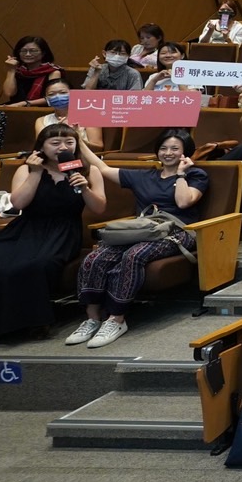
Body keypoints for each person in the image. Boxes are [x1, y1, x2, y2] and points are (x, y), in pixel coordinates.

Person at [68, 131, 209, 349]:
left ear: (185, 153)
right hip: (143, 230)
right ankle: (93, 318)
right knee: (96, 257)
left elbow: (183, 202)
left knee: (134, 255)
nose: (168, 153)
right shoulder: (144, 176)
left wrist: (181, 174)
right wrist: (78, 141)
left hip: (178, 232)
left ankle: (116, 319)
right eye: (164, 148)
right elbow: (103, 168)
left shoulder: (196, 175)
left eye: (174, 149)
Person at [0, 123, 107, 340]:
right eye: (55, 143)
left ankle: (34, 322)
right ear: (41, 147)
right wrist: (35, 173)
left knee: (36, 265)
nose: (62, 147)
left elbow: (99, 208)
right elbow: (18, 204)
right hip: (26, 228)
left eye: (69, 143)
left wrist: (84, 188)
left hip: (63, 231)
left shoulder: (89, 170)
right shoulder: (26, 168)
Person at [0, 35, 59, 107]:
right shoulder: (18, 71)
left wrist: (25, 103)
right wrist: (11, 70)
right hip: (15, 107)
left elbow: (54, 97)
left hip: (41, 109)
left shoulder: (53, 72)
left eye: (33, 51)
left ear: (43, 53)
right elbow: (9, 93)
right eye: (24, 51)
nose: (28, 54)